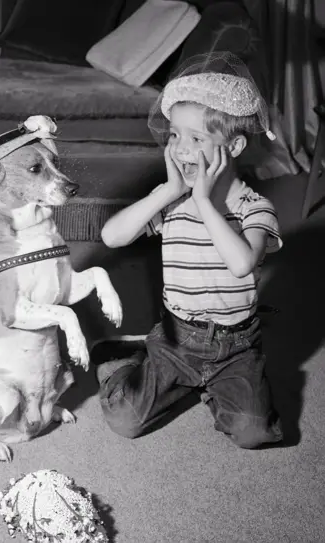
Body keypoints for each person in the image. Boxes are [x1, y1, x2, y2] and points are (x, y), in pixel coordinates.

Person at [95, 53, 283, 449]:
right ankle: (122, 363)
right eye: (176, 135)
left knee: (254, 434)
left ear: (232, 146)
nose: (180, 150)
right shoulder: (173, 203)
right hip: (176, 339)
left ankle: (214, 387)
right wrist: (167, 192)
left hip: (236, 347)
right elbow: (112, 237)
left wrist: (205, 201)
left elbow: (241, 262)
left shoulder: (254, 209)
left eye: (196, 139)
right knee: (124, 420)